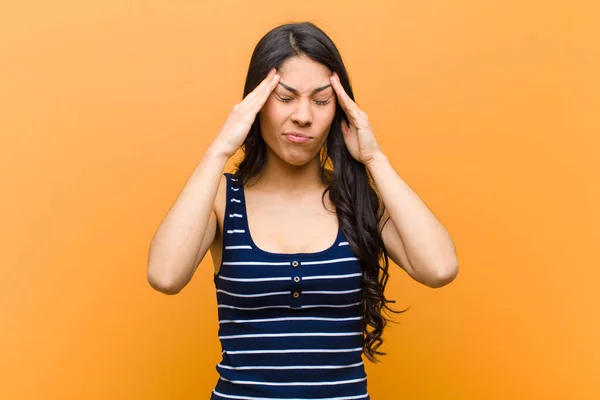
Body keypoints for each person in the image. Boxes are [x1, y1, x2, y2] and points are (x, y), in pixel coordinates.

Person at [147, 21, 458, 400]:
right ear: (256, 103)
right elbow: (165, 276)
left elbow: (439, 268)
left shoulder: (358, 199)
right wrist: (219, 150)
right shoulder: (220, 199)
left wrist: (375, 158)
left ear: (339, 110)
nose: (303, 116)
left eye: (321, 100)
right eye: (285, 97)